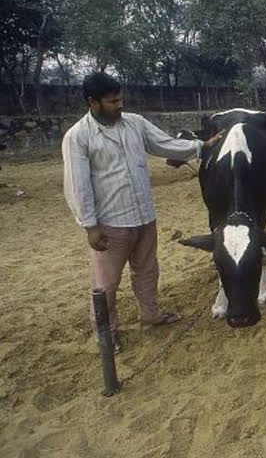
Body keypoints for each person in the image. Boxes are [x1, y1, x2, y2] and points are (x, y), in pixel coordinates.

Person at [62, 72, 223, 352]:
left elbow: (164, 144)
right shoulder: (78, 137)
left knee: (147, 271)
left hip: (144, 216)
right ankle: (106, 333)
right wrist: (90, 225)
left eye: (120, 98)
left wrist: (200, 146)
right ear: (93, 102)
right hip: (111, 222)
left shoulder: (134, 123)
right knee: (106, 283)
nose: (119, 105)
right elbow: (77, 185)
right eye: (112, 101)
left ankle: (150, 315)